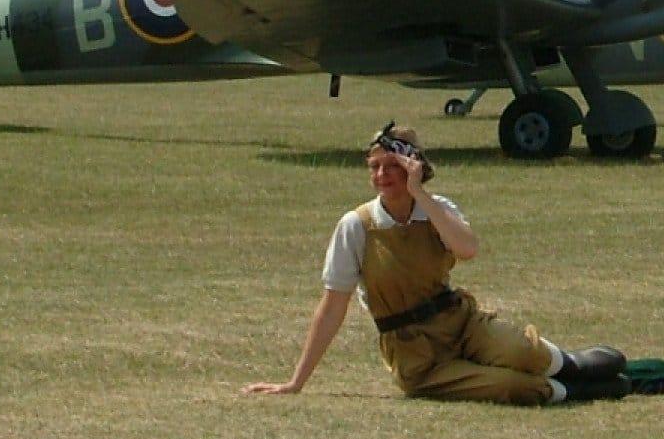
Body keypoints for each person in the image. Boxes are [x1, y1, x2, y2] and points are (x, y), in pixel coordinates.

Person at [246, 122, 632, 403]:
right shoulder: (356, 226)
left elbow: (467, 249)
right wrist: (296, 382)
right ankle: (578, 391)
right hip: (416, 353)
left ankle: (574, 365)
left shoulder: (437, 210)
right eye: (375, 167)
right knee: (513, 388)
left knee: (522, 352)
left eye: (393, 166)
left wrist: (420, 195)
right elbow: (332, 307)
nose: (382, 175)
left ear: (415, 167)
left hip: (460, 321)